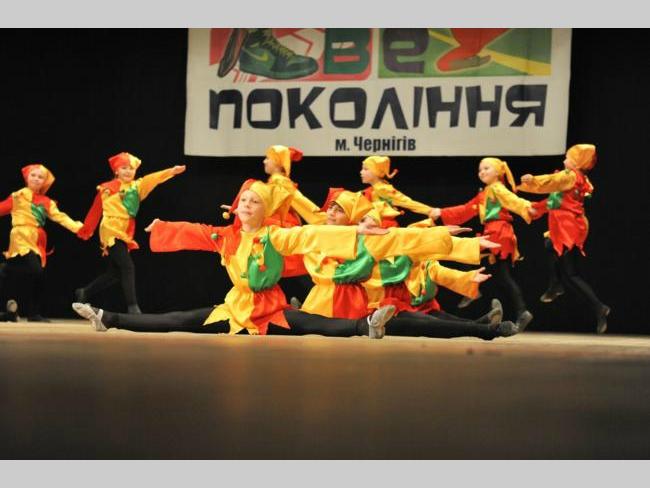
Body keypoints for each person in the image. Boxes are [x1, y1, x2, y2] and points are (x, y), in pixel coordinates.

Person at [73, 179, 400, 338]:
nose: (246, 205)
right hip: (236, 309)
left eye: (254, 201)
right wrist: (163, 226)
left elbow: (311, 235)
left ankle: (367, 325)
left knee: (312, 323)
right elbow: (196, 232)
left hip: (270, 309)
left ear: (264, 209)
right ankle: (108, 317)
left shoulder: (274, 236)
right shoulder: (225, 236)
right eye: (244, 200)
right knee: (178, 320)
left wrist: (356, 230)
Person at [429, 157, 537, 331]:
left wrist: (526, 207)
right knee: (501, 276)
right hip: (497, 232)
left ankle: (472, 289)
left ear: (498, 172)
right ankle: (521, 311)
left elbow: (511, 199)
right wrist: (442, 212)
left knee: (467, 251)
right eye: (480, 169)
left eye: (487, 168)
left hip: (498, 232)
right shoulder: (486, 192)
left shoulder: (496, 188)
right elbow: (465, 210)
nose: (482, 172)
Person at [75, 152, 186, 313]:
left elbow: (152, 179)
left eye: (131, 168)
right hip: (110, 229)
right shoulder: (106, 188)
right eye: (124, 168)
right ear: (116, 171)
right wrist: (87, 229)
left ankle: (85, 292)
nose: (128, 171)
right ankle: (133, 307)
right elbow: (96, 210)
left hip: (125, 230)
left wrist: (171, 171)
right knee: (128, 267)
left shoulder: (137, 186)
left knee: (115, 273)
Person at [517, 144, 610, 334]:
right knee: (549, 245)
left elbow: (551, 182)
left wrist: (532, 180)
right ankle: (556, 285)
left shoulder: (570, 176)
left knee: (571, 274)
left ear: (577, 162)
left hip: (569, 227)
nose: (564, 160)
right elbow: (554, 200)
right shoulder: (574, 179)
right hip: (564, 227)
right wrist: (536, 209)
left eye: (568, 158)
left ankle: (599, 307)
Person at [0, 164, 83, 321]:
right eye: (33, 175)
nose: (36, 179)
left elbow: (60, 217)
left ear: (44, 182)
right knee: (36, 271)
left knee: (36, 275)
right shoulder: (18, 196)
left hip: (37, 239)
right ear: (27, 177)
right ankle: (7, 270)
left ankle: (33, 312)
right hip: (20, 236)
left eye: (40, 177)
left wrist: (78, 228)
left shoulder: (46, 201)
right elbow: (2, 208)